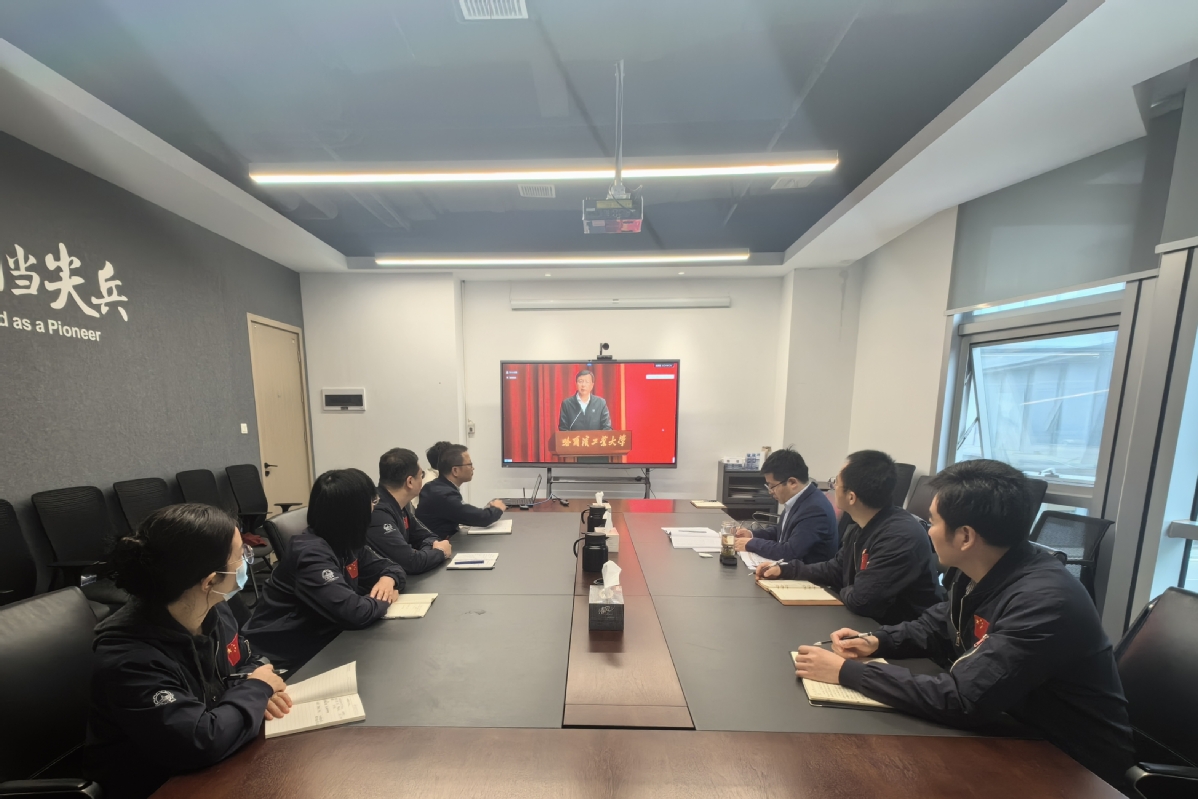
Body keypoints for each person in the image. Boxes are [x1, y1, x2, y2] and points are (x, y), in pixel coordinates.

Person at [793, 459, 1136, 790]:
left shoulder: (1044, 601)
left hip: (1070, 768)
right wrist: (877, 641)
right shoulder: (980, 570)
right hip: (1008, 731)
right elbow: (938, 625)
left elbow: (963, 699)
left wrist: (846, 673)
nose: (928, 531)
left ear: (966, 537)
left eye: (932, 522)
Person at [86, 504, 292, 799]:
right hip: (159, 785)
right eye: (241, 554)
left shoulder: (215, 608)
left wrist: (254, 689)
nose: (248, 559)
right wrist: (257, 690)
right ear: (209, 581)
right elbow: (199, 742)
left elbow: (246, 660)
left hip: (221, 763)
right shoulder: (128, 656)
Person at [244, 468, 405, 671]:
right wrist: (385, 598)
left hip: (325, 638)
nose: (374, 508)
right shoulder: (310, 554)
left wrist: (387, 580)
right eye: (372, 502)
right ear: (354, 512)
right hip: (283, 661)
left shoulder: (346, 541)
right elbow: (355, 612)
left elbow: (393, 567)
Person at [756, 450, 942, 624]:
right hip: (871, 626)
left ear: (851, 497)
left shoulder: (899, 537)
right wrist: (785, 570)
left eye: (836, 483)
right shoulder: (863, 526)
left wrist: (845, 587)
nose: (832, 487)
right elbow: (835, 569)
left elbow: (861, 601)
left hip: (898, 635)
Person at [733, 447, 837, 564]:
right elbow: (782, 531)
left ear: (792, 482)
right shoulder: (800, 499)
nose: (770, 492)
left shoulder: (815, 509)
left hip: (806, 573)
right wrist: (752, 534)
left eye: (772, 486)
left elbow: (789, 552)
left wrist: (752, 544)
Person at [368, 447, 452, 574]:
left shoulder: (401, 504)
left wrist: (425, 552)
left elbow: (429, 537)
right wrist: (440, 552)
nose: (422, 479)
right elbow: (411, 563)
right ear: (410, 481)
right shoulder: (377, 511)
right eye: (421, 475)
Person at [416, 442, 505, 539]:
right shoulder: (442, 494)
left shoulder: (439, 487)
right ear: (455, 470)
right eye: (469, 464)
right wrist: (497, 508)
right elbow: (481, 518)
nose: (473, 468)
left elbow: (463, 512)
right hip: (435, 545)